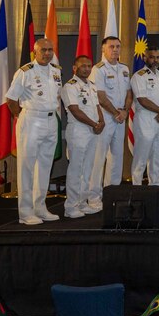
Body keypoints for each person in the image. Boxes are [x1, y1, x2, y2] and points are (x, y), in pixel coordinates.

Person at [5, 39, 63, 225]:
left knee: (45, 166)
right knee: (27, 167)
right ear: (35, 52)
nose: (47, 53)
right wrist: (21, 117)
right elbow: (11, 99)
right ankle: (25, 212)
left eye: (50, 50)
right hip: (31, 119)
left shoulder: (56, 71)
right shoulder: (25, 72)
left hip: (51, 120)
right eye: (43, 50)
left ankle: (40, 207)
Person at [89, 36, 132, 211]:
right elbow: (100, 96)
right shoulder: (97, 70)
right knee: (98, 158)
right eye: (111, 46)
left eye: (118, 47)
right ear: (103, 49)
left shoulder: (124, 69)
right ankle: (93, 197)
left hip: (120, 117)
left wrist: (125, 111)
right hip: (105, 117)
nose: (115, 50)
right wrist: (116, 113)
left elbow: (129, 93)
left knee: (116, 157)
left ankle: (111, 195)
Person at [61, 55, 104, 218]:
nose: (86, 69)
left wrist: (101, 121)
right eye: (83, 66)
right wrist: (94, 124)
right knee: (76, 169)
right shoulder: (70, 86)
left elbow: (97, 106)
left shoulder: (92, 85)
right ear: (74, 68)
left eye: (89, 66)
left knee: (87, 169)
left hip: (93, 131)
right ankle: (70, 206)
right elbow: (74, 110)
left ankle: (82, 202)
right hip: (79, 130)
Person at [130, 47, 159, 186]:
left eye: (158, 57)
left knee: (157, 156)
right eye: (152, 57)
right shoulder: (139, 76)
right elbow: (142, 99)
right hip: (145, 118)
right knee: (142, 155)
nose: (155, 60)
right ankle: (137, 187)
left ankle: (155, 186)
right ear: (145, 58)